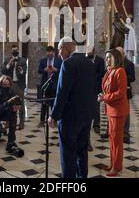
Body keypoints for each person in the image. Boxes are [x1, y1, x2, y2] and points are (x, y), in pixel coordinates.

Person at [48, 38, 96, 178]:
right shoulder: (90, 63)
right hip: (87, 116)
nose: (58, 53)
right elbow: (93, 89)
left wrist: (54, 116)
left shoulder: (68, 64)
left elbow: (62, 93)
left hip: (70, 117)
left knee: (68, 154)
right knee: (82, 152)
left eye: (59, 49)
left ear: (66, 48)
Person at [98, 49, 129, 177]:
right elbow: (107, 90)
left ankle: (116, 167)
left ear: (116, 58)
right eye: (106, 57)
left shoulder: (120, 71)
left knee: (116, 140)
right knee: (111, 138)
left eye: (109, 57)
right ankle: (113, 163)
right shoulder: (109, 72)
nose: (107, 59)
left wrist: (104, 98)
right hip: (111, 109)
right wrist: (103, 95)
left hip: (118, 110)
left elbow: (121, 93)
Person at [0, 75, 22, 154]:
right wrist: (8, 102)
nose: (7, 86)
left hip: (5, 111)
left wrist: (16, 107)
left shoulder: (11, 91)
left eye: (8, 85)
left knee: (13, 117)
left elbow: (14, 104)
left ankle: (11, 141)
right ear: (0, 84)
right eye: (5, 85)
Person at [1, 45, 27, 130]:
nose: (14, 51)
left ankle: (21, 123)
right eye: (13, 50)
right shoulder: (7, 60)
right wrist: (9, 64)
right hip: (9, 84)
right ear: (11, 51)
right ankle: (8, 122)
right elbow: (3, 71)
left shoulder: (23, 60)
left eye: (16, 50)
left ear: (18, 51)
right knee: (9, 103)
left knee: (20, 104)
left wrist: (21, 71)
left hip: (19, 85)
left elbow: (24, 72)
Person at [85, 46, 105, 152]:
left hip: (96, 87)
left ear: (93, 51)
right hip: (86, 89)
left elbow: (101, 73)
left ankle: (96, 124)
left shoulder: (100, 60)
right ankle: (86, 141)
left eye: (90, 51)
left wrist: (92, 77)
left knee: (96, 108)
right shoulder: (85, 60)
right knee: (87, 114)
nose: (88, 53)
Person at [37, 46, 62, 128]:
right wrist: (44, 69)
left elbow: (62, 71)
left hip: (55, 85)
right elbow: (39, 70)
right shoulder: (43, 60)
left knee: (54, 103)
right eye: (47, 53)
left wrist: (56, 70)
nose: (49, 54)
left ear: (53, 52)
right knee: (44, 103)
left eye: (50, 53)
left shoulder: (59, 61)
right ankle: (42, 121)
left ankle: (54, 120)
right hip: (45, 84)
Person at [116, 47, 135, 144]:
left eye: (119, 53)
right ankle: (113, 130)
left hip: (125, 92)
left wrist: (121, 78)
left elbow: (132, 78)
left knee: (125, 113)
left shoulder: (130, 64)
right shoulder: (114, 62)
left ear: (123, 54)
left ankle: (125, 132)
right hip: (114, 91)